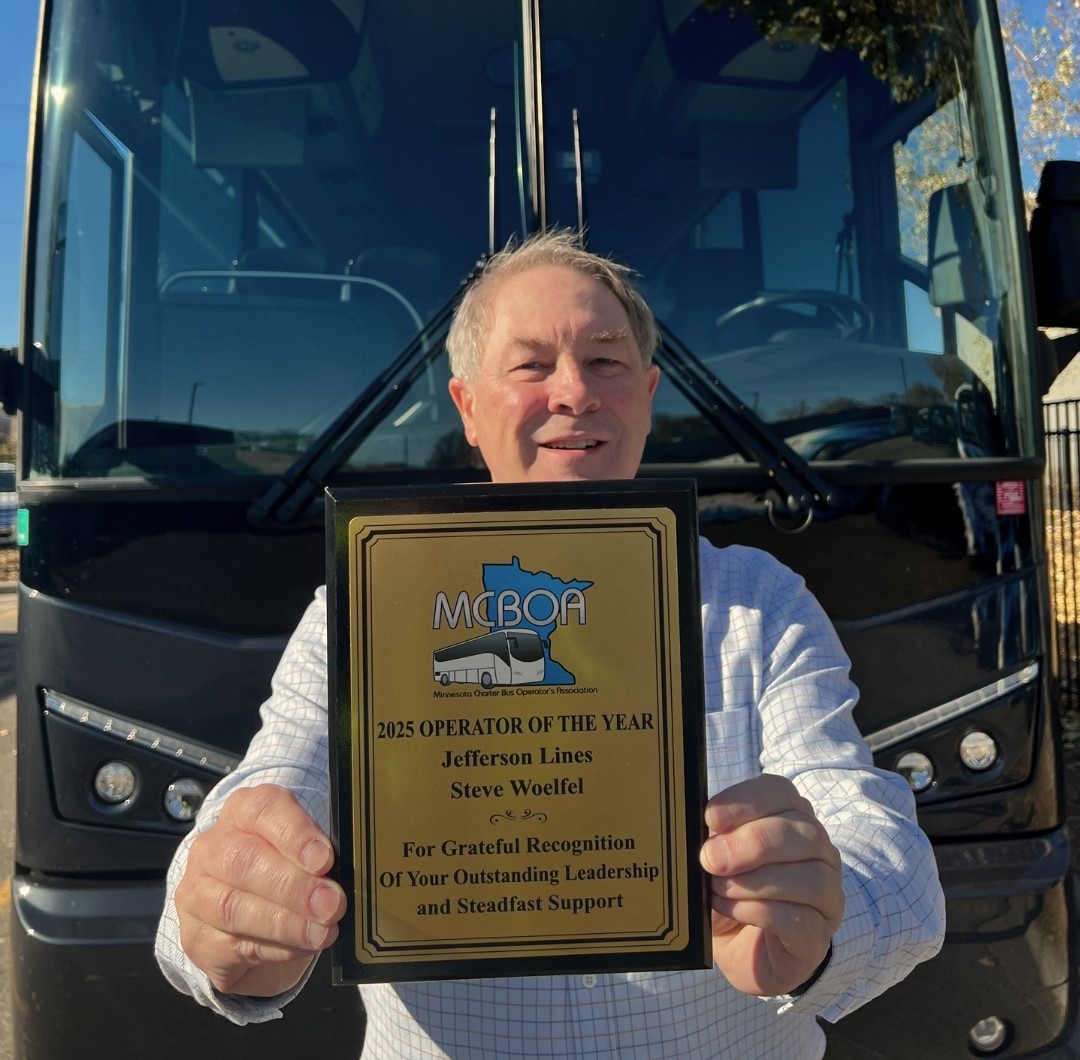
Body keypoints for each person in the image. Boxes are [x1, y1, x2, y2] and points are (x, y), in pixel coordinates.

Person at [156, 230, 945, 1058]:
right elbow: (268, 790)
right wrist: (225, 913)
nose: (574, 391)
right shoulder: (364, 601)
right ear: (467, 407)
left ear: (647, 395)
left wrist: (824, 916)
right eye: (531, 364)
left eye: (605, 362)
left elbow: (886, 859)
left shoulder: (763, 604)